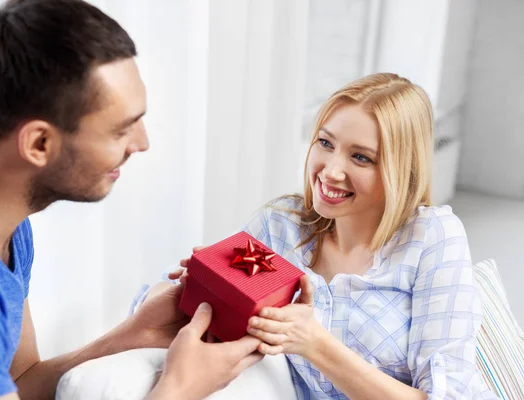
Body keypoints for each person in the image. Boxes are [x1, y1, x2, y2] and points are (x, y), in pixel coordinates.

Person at [0, 1, 263, 399]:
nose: (142, 143)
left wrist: (132, 335)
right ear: (39, 143)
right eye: (121, 131)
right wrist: (179, 389)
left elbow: (21, 381)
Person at [141, 73, 497, 399]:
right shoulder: (281, 226)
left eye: (361, 157)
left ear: (402, 170)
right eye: (325, 143)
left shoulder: (432, 237)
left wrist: (316, 345)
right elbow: (157, 310)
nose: (331, 171)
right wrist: (201, 282)